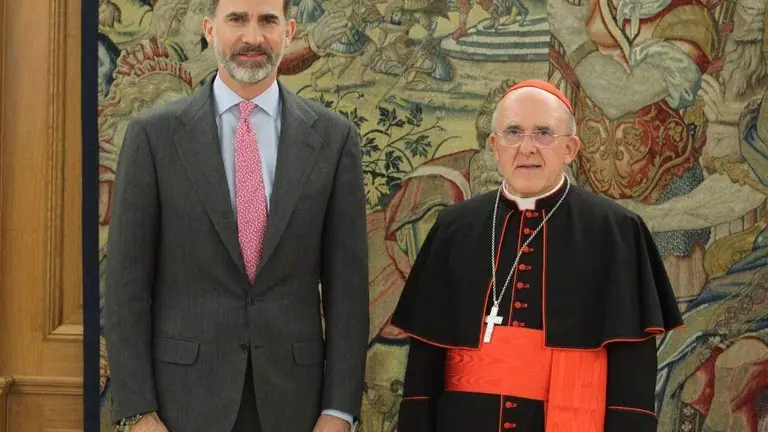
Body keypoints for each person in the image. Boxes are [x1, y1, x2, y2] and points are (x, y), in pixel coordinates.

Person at [103, 0, 369, 430]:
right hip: (180, 406)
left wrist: (338, 411)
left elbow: (348, 292)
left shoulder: (334, 140)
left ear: (289, 30)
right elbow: (125, 290)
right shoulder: (153, 137)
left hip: (295, 405)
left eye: (267, 21)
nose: (252, 37)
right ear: (210, 29)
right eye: (237, 19)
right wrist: (138, 412)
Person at [390, 79, 684, 432]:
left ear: (570, 149)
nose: (526, 148)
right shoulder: (453, 228)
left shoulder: (616, 232)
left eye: (544, 133)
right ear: (495, 146)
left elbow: (631, 384)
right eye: (513, 132)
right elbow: (423, 372)